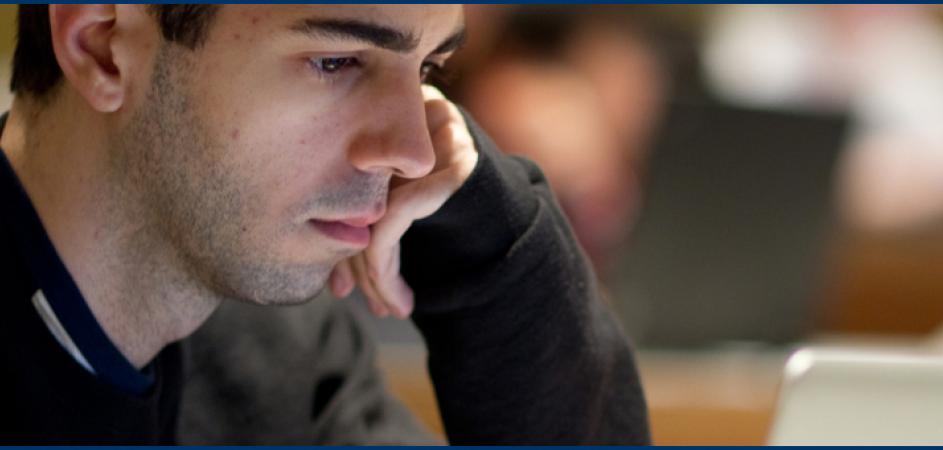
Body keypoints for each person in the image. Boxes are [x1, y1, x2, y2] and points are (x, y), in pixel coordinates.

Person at [0, 4, 648, 444]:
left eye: (428, 71)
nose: (417, 153)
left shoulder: (282, 354)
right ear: (103, 45)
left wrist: (492, 241)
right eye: (336, 62)